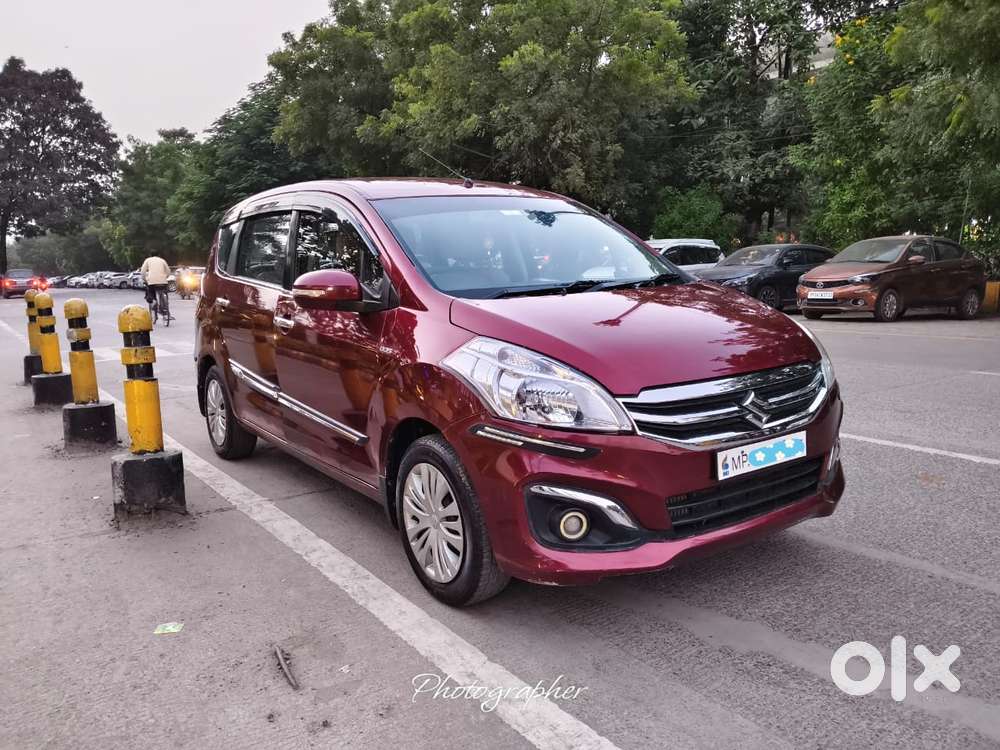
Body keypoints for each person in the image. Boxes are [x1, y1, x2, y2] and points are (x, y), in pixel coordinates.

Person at [141, 253, 172, 321]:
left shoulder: (148, 260)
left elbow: (143, 272)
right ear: (159, 255)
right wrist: (165, 278)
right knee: (164, 293)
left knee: (150, 292)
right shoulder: (162, 260)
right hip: (163, 282)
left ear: (150, 255)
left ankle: (153, 301)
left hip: (152, 282)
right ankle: (165, 309)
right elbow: (168, 272)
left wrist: (145, 279)